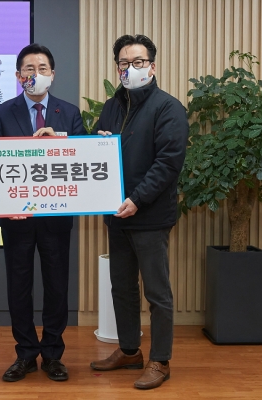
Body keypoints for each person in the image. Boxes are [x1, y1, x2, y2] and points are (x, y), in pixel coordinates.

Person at [89, 34, 188, 390]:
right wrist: (96, 142)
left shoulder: (168, 108)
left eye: (138, 62)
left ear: (152, 66)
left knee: (157, 292)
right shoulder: (112, 106)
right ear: (116, 67)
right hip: (117, 213)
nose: (130, 68)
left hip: (149, 216)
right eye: (124, 63)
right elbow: (95, 150)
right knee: (122, 287)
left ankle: (160, 360)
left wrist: (137, 199)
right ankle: (130, 350)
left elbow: (168, 163)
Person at [0, 43, 84, 383]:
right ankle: (26, 353)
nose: (36, 74)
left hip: (56, 217)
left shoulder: (68, 112)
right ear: (18, 76)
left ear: (52, 75)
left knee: (57, 285)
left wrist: (59, 139)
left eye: (42, 68)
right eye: (29, 69)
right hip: (16, 219)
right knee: (19, 287)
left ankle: (53, 354)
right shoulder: (2, 113)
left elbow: (82, 156)